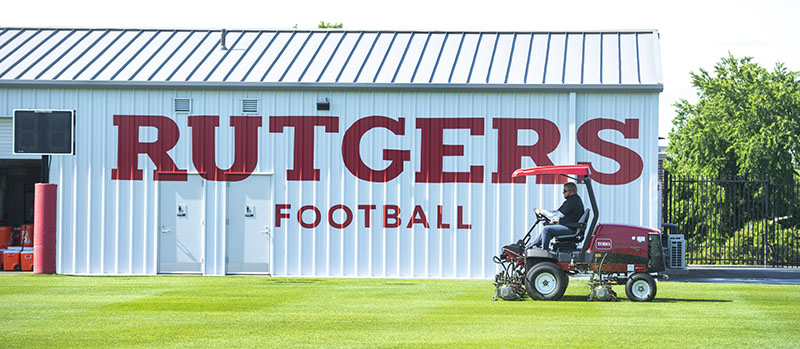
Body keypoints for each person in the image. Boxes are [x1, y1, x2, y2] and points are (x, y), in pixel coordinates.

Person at [530, 182, 584, 250]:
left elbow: (557, 214)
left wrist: (541, 211)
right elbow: (570, 216)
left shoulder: (572, 201)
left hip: (571, 229)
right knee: (548, 228)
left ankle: (544, 252)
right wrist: (557, 221)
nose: (563, 193)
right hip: (570, 227)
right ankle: (531, 246)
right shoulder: (574, 200)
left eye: (565, 191)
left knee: (546, 230)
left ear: (571, 191)